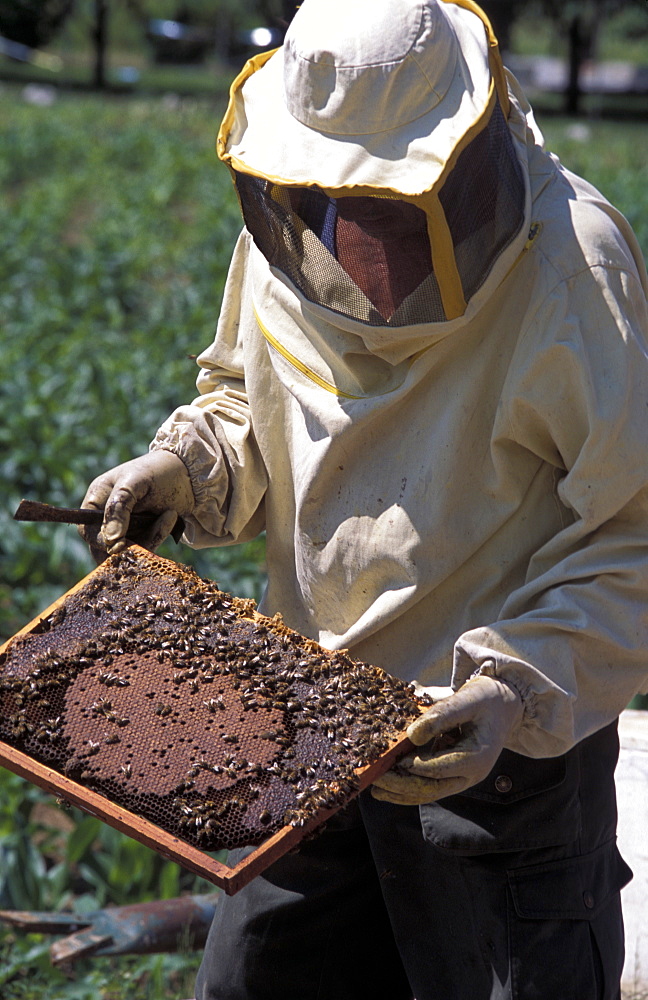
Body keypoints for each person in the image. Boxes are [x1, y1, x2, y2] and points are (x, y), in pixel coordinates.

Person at [79, 1, 648, 997]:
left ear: (468, 160)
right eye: (324, 197)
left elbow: (632, 534)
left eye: (389, 203)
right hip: (302, 726)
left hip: (496, 762)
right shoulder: (291, 221)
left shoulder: (574, 267)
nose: (352, 242)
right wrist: (184, 468)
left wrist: (513, 688)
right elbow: (246, 403)